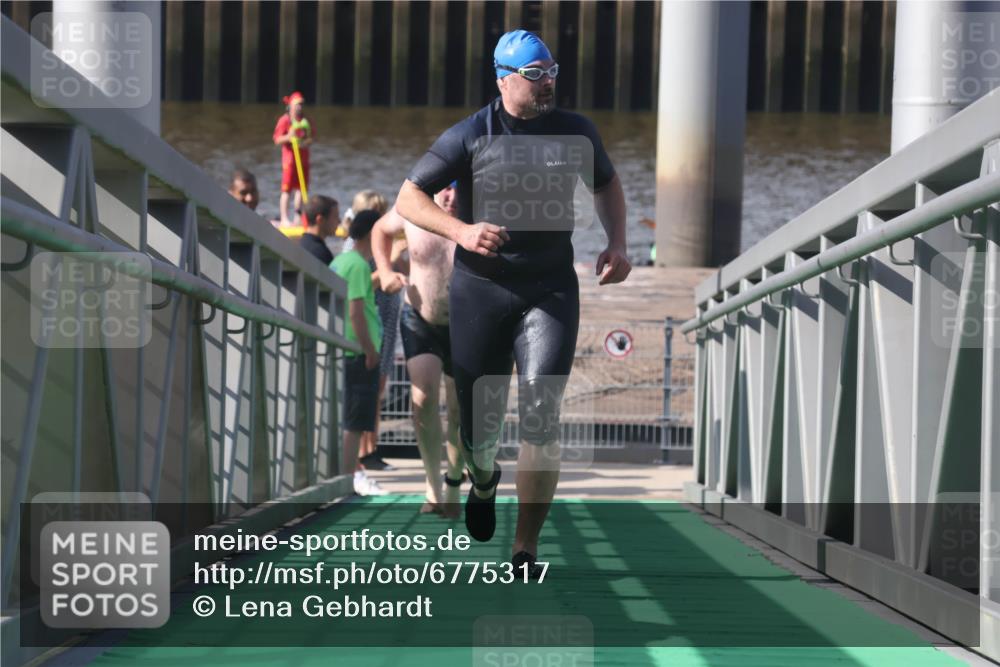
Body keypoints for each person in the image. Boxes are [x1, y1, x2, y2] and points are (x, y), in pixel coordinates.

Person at [395, 30, 631, 576]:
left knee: (543, 417)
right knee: (480, 431)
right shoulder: (470, 134)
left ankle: (525, 546)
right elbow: (410, 196)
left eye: (551, 71)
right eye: (534, 75)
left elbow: (608, 185)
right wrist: (462, 231)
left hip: (549, 289)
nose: (547, 82)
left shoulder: (576, 131)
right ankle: (481, 478)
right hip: (481, 290)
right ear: (503, 78)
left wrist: (617, 241)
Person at [372, 183, 466, 518]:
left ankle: (454, 481)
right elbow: (380, 229)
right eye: (445, 189)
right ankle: (432, 486)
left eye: (458, 189)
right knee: (423, 400)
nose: (451, 196)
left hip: (464, 324)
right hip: (419, 317)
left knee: (458, 411)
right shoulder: (413, 210)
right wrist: (384, 271)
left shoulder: (475, 215)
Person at [341, 191, 402, 472]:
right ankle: (363, 455)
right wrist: (389, 270)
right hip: (369, 322)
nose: (382, 217)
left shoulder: (378, 244)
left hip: (384, 321)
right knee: (368, 390)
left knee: (377, 388)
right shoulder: (354, 252)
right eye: (376, 212)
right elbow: (361, 287)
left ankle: (370, 450)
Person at [331, 209, 389, 497]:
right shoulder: (357, 266)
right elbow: (356, 311)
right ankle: (347, 481)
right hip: (357, 352)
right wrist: (369, 350)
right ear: (372, 233)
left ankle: (346, 477)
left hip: (345, 349)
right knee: (354, 423)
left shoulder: (341, 259)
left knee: (347, 420)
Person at [273, 91, 313, 226]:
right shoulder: (285, 120)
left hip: (303, 159)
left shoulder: (305, 121)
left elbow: (310, 138)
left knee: (301, 189)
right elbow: (277, 139)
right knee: (287, 189)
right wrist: (289, 136)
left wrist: (305, 142)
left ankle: (298, 218)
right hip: (290, 160)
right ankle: (284, 218)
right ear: (290, 106)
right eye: (297, 104)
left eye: (302, 104)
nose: (300, 107)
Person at [298, 195, 339, 265]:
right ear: (320, 220)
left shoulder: (300, 245)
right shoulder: (321, 253)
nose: (339, 221)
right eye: (335, 217)